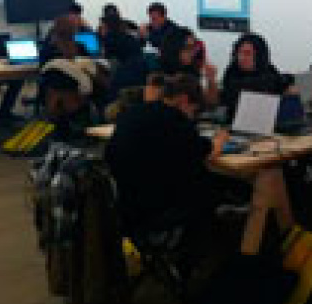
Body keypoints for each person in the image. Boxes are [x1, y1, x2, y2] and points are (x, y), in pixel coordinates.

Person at [105, 73, 293, 255]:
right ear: (184, 100)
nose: (193, 118)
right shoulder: (176, 122)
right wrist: (220, 139)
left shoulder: (134, 112)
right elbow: (208, 151)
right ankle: (233, 248)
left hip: (129, 212)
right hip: (161, 215)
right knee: (218, 186)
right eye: (194, 111)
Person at [221, 33, 293, 122]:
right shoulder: (232, 72)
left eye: (247, 53)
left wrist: (288, 88)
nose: (241, 57)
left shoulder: (269, 71)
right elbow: (235, 93)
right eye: (239, 53)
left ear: (259, 55)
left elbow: (281, 83)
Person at [156, 27, 219, 106]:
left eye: (194, 48)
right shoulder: (158, 73)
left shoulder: (191, 70)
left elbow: (210, 103)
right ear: (174, 49)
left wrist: (211, 80)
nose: (193, 53)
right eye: (188, 48)